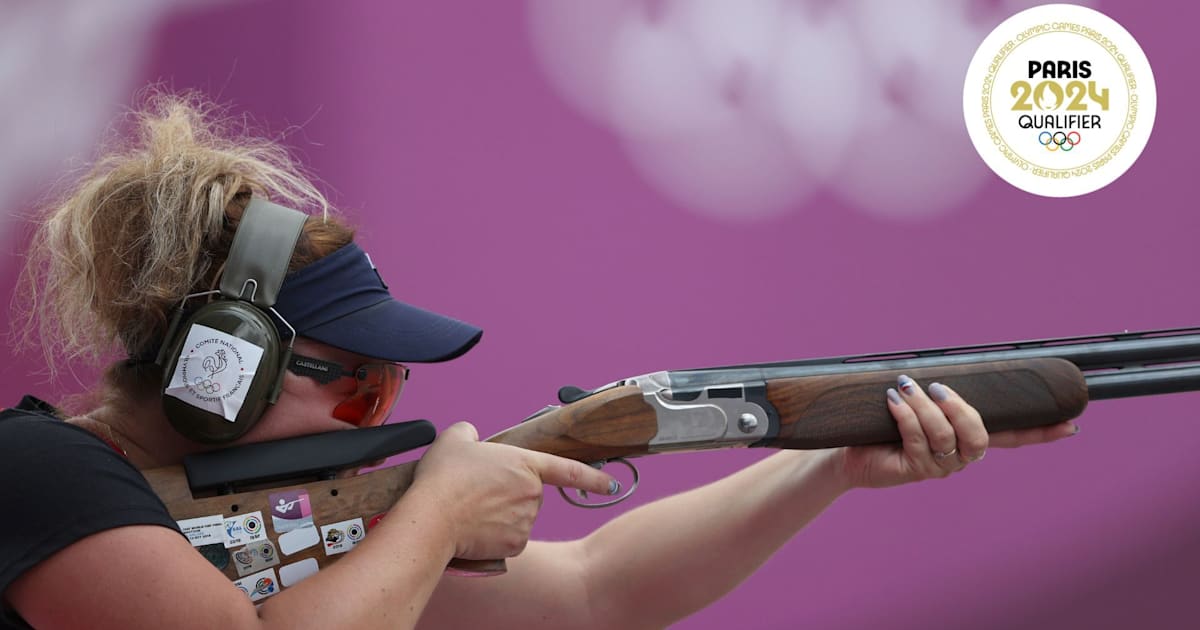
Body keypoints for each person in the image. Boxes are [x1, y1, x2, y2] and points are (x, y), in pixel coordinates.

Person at [0, 94, 1078, 630]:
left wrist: (827, 462)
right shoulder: (39, 475)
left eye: (391, 388)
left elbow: (598, 593)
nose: (377, 412)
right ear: (219, 367)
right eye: (359, 381)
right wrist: (437, 513)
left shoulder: (297, 533)